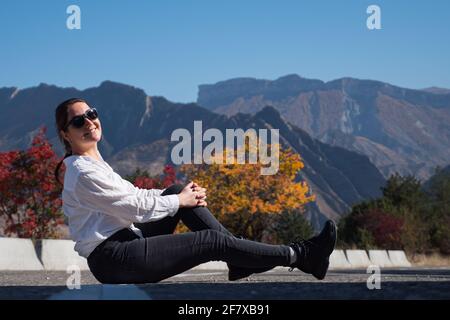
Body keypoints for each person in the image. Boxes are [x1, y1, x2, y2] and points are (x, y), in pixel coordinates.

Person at [54, 97, 337, 284]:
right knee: (210, 240)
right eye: (79, 121)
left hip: (128, 242)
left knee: (177, 190)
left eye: (92, 114)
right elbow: (133, 209)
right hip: (115, 258)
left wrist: (179, 195)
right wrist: (179, 201)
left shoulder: (94, 163)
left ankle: (240, 262)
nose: (89, 122)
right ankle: (300, 255)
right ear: (66, 134)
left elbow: (136, 195)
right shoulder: (82, 171)